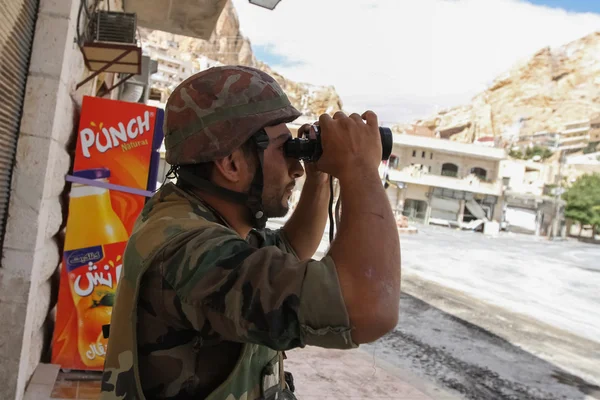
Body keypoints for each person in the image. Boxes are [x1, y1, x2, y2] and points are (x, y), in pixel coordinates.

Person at [100, 65, 401, 400]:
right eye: (285, 150)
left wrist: (320, 177)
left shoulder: (195, 216)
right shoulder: (191, 252)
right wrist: (360, 169)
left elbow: (288, 251)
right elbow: (369, 309)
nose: (295, 168)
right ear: (231, 164)